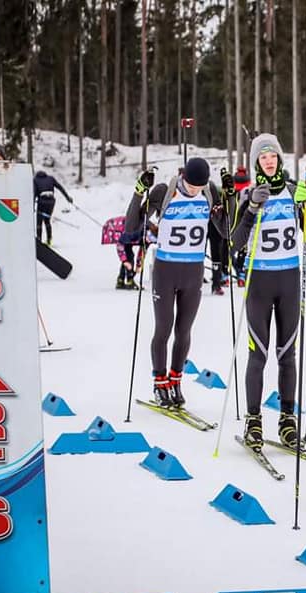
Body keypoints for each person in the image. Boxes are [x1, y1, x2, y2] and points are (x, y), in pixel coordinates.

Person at [231, 134, 306, 451]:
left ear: (280, 159)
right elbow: (233, 243)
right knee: (258, 354)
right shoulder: (248, 195)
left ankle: (287, 420)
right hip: (259, 282)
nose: (269, 161)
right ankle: (253, 420)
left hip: (289, 281)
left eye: (273, 156)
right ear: (256, 162)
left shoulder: (294, 191)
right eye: (263, 157)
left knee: (287, 354)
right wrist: (251, 208)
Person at [123, 158, 229, 407]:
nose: (194, 190)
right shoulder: (165, 191)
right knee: (164, 328)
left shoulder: (209, 193)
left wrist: (230, 199)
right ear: (183, 178)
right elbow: (131, 226)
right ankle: (159, 383)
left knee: (184, 331)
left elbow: (225, 231)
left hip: (193, 272)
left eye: (199, 187)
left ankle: (175, 380)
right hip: (166, 271)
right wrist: (139, 192)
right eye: (191, 186)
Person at [33, 170, 73, 245]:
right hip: (51, 202)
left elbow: (34, 193)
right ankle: (49, 240)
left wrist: (32, 206)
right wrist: (68, 198)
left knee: (39, 222)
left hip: (42, 201)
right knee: (47, 220)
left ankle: (39, 241)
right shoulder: (50, 178)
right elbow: (60, 188)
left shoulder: (35, 180)